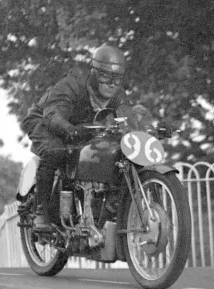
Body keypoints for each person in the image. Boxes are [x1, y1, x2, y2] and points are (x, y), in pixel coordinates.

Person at [21, 44, 136, 231]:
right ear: (95, 73)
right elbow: (53, 115)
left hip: (81, 126)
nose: (112, 83)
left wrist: (143, 131)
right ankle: (41, 212)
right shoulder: (73, 85)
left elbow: (129, 119)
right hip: (44, 119)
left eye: (117, 78)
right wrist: (71, 131)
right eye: (106, 76)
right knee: (56, 150)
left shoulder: (117, 95)